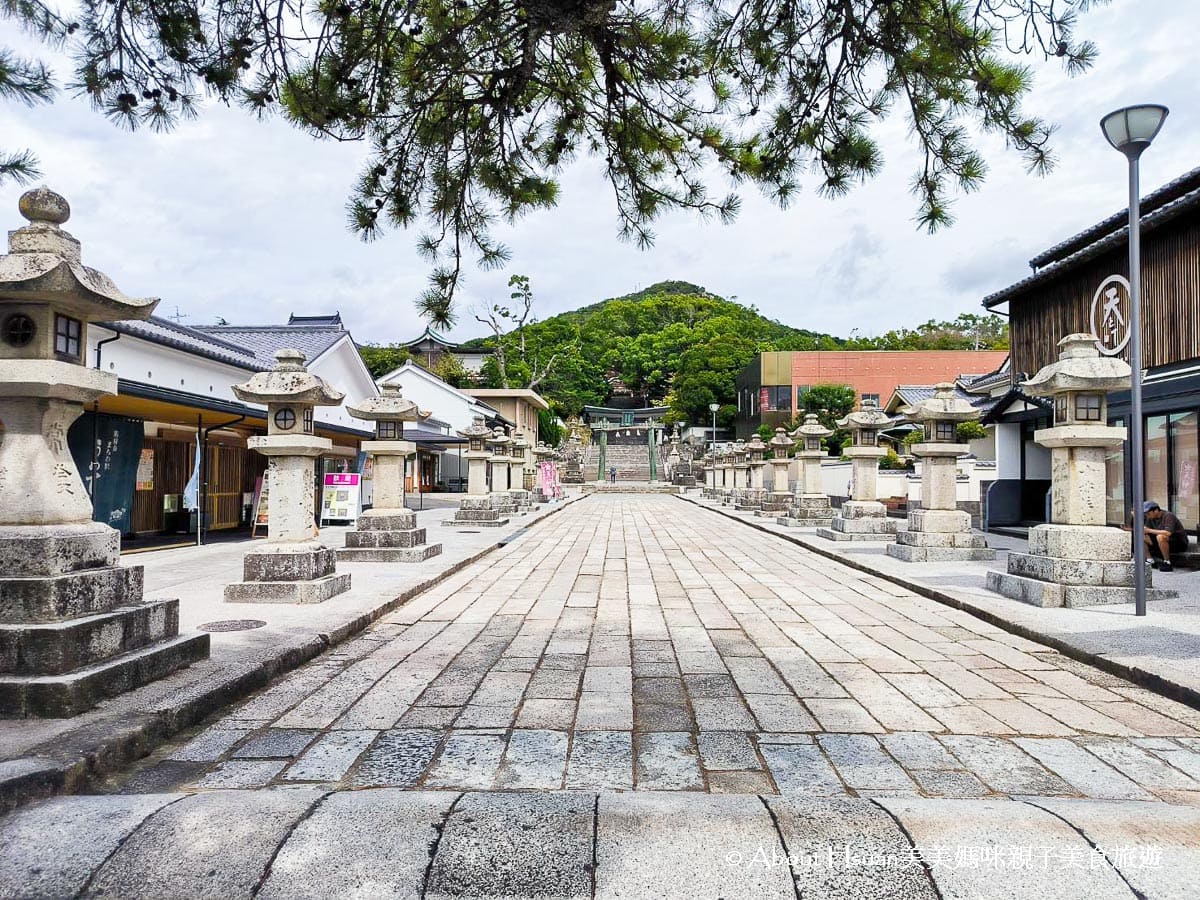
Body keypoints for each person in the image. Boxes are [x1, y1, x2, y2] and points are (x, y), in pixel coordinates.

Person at [1137, 501, 1189, 572]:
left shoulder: (1168, 516)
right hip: (1161, 542)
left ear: (1156, 510)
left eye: (1148, 513)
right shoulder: (1150, 518)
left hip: (1178, 542)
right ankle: (1150, 560)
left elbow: (1168, 533)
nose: (1147, 515)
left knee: (1161, 536)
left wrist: (1149, 530)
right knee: (1141, 535)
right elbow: (1146, 530)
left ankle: (1167, 562)